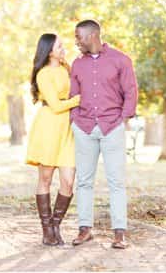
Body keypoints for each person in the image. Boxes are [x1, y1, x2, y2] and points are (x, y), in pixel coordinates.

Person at [69, 19, 139, 250]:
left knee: (116, 182)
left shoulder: (121, 60)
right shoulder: (77, 65)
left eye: (78, 37)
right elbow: (73, 95)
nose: (76, 41)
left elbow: (131, 92)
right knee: (84, 181)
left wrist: (123, 119)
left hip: (112, 127)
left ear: (92, 36)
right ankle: (84, 229)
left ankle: (119, 233)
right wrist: (75, 121)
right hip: (85, 128)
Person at [25, 33, 80, 246]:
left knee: (68, 180)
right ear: (49, 51)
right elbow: (56, 105)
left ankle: (56, 225)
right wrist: (78, 100)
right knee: (45, 179)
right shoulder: (43, 74)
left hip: (68, 129)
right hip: (48, 127)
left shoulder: (68, 69)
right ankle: (47, 229)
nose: (63, 49)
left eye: (63, 46)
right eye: (59, 46)